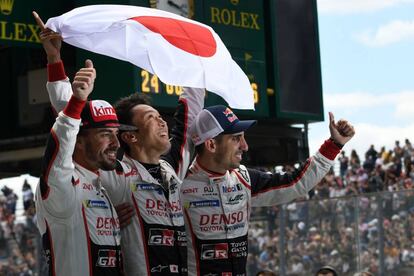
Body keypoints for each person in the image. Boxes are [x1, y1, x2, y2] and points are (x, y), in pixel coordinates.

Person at [34, 10, 204, 275]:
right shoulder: (116, 174)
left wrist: (193, 58)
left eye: (161, 117)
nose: (163, 123)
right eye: (151, 118)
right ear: (131, 136)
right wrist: (55, 61)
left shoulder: (172, 166)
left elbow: (190, 113)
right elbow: (70, 127)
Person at [180, 105, 355, 275]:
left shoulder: (243, 178)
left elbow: (295, 183)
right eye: (236, 138)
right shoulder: (178, 184)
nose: (245, 145)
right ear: (211, 145)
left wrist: (334, 145)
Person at [35, 59, 123, 275]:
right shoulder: (62, 184)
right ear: (79, 140)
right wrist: (77, 100)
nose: (116, 143)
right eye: (105, 134)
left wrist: (54, 58)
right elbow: (64, 136)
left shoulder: (100, 187)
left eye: (116, 134)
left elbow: (65, 111)